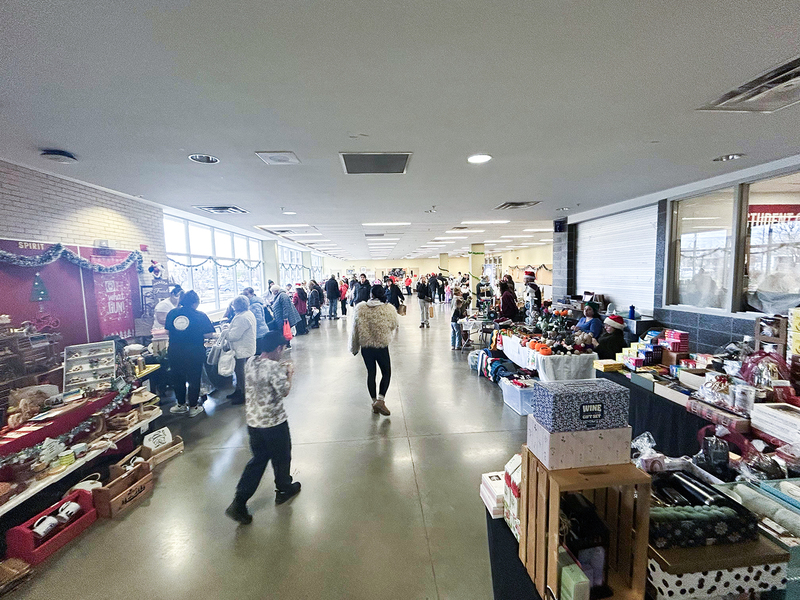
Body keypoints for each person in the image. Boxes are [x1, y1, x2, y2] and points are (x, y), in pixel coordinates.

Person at [225, 331, 301, 524]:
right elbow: (284, 391)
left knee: (258, 460)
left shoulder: (251, 362)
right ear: (278, 348)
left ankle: (239, 501)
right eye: (282, 350)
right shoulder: (274, 368)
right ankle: (283, 488)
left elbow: (265, 373)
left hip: (254, 423)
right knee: (282, 456)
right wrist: (289, 374)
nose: (282, 354)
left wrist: (281, 369)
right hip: (274, 423)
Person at [349, 285, 399, 416]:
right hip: (381, 346)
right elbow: (394, 324)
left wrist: (354, 347)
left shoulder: (360, 308)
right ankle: (380, 400)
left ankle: (374, 402)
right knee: (386, 372)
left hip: (366, 347)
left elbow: (354, 329)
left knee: (371, 373)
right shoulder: (388, 309)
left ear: (371, 294)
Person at [165, 290, 215, 418]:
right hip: (194, 352)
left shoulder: (172, 313)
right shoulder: (200, 315)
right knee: (194, 378)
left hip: (175, 351)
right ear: (195, 303)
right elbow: (208, 334)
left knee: (178, 378)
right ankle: (193, 407)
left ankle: (181, 404)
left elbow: (167, 331)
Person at [225, 295, 257, 405]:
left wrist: (225, 332)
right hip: (246, 347)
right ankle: (238, 390)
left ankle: (243, 394)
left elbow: (234, 336)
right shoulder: (248, 314)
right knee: (240, 372)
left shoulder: (242, 318)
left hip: (242, 350)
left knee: (241, 373)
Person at [243, 287, 271, 354]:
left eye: (246, 294)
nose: (245, 296)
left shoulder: (255, 305)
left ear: (252, 294)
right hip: (259, 332)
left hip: (259, 332)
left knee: (260, 354)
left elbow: (258, 320)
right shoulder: (252, 304)